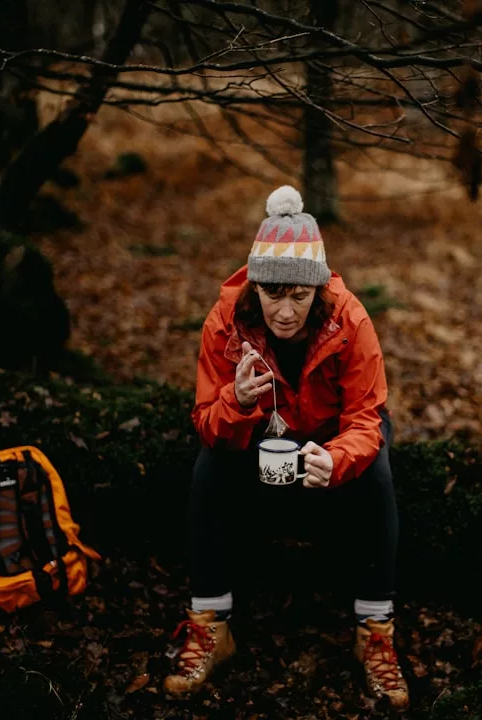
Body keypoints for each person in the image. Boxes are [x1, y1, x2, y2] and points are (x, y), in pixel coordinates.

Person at [163, 186, 408, 711]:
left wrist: (337, 458)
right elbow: (207, 422)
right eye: (274, 294)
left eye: (300, 297)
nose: (286, 311)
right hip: (262, 441)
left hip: (328, 441)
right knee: (209, 465)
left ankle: (375, 631)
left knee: (379, 468)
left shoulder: (350, 320)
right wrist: (238, 399)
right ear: (256, 286)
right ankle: (210, 624)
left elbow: (367, 418)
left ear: (318, 292)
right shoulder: (226, 321)